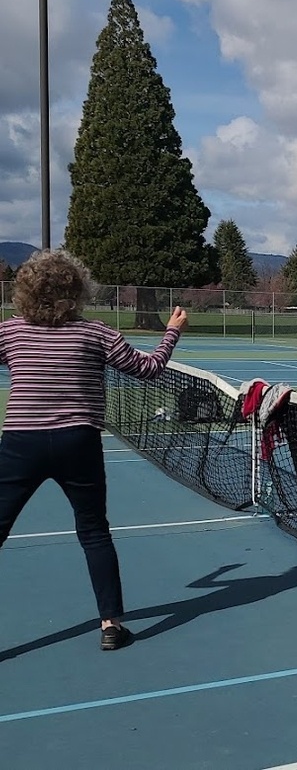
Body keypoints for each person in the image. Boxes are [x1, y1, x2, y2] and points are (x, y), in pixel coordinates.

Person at [0, 250, 187, 651]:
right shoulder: (96, 334)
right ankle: (111, 625)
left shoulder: (9, 333)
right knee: (94, 532)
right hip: (78, 443)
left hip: (20, 444)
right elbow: (150, 369)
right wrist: (172, 332)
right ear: (77, 290)